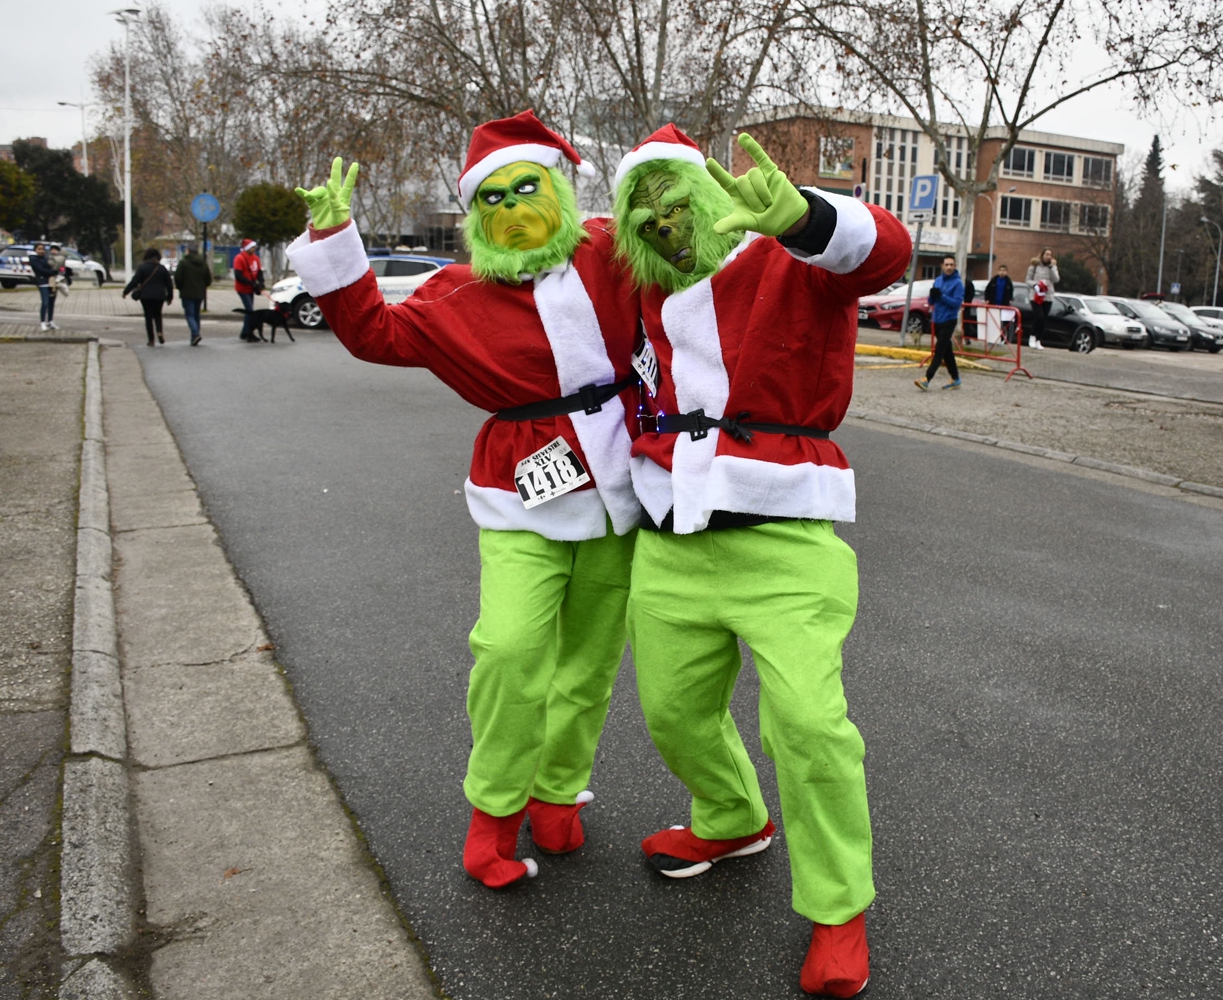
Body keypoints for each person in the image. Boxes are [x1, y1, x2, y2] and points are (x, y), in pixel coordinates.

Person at [288, 112, 641, 891]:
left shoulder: (614, 251)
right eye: (493, 198)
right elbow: (374, 332)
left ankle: (556, 795)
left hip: (623, 484)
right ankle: (493, 816)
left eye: (528, 188)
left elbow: (690, 258)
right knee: (512, 651)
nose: (514, 207)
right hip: (524, 490)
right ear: (475, 212)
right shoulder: (459, 291)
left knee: (588, 665)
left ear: (558, 185)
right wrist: (336, 236)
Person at [612, 125, 909, 998]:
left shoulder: (790, 258)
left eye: (676, 201)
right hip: (670, 540)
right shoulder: (636, 289)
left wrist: (807, 217)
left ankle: (837, 906)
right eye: (646, 213)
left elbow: (882, 254)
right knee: (671, 712)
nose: (665, 223)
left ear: (708, 193)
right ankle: (734, 818)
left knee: (809, 729)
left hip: (784, 539)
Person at [915, 253, 963, 390]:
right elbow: (931, 301)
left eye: (951, 265)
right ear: (942, 266)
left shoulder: (958, 283)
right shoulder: (938, 280)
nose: (949, 267)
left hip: (949, 320)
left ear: (955, 266)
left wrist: (942, 296)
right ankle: (956, 378)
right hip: (937, 319)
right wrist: (932, 295)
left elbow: (956, 303)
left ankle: (927, 378)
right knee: (947, 351)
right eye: (946, 264)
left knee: (939, 350)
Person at [122, 248, 174, 346]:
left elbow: (135, 281)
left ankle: (151, 340)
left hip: (146, 296)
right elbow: (169, 284)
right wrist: (169, 297)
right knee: (158, 315)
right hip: (159, 296)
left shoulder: (142, 267)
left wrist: (126, 292)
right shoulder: (162, 268)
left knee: (148, 317)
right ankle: (159, 332)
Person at [174, 247, 213, 346]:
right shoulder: (203, 263)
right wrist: (203, 286)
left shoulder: (184, 263)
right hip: (199, 293)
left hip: (187, 293)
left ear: (188, 251)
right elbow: (208, 278)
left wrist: (180, 287)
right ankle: (194, 337)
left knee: (189, 314)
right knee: (196, 314)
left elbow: (177, 277)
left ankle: (195, 334)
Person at [1024, 247, 1058, 350]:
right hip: (1036, 295)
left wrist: (1052, 268)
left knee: (1044, 319)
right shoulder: (1034, 266)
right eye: (1046, 254)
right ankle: (1032, 336)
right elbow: (1027, 280)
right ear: (1042, 255)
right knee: (1039, 316)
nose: (1048, 257)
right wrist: (1035, 285)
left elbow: (1056, 279)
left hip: (1048, 295)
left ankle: (1039, 340)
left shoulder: (1053, 267)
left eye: (1050, 255)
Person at [232, 238, 265, 342]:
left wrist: (261, 283)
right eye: (251, 247)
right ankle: (249, 333)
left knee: (249, 311)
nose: (254, 249)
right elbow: (238, 275)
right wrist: (251, 283)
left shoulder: (256, 258)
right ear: (246, 248)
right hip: (243, 288)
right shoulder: (239, 258)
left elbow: (259, 272)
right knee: (250, 310)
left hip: (251, 288)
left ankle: (244, 332)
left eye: (254, 247)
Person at [28, 243, 58, 331]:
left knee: (51, 302)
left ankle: (50, 321)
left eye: (43, 249)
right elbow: (40, 270)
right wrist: (52, 272)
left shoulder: (46, 258)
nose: (42, 251)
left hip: (51, 282)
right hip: (42, 282)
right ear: (35, 250)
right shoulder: (34, 259)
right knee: (45, 302)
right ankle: (42, 322)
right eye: (39, 249)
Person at [984, 262, 1015, 344]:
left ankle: (1002, 338)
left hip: (1003, 305)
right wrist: (987, 299)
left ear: (1006, 272)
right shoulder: (994, 280)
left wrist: (1010, 300)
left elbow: (1010, 292)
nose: (1002, 272)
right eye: (1000, 270)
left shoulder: (1008, 282)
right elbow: (987, 290)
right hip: (993, 304)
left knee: (1002, 323)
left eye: (1004, 270)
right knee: (993, 322)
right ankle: (992, 339)